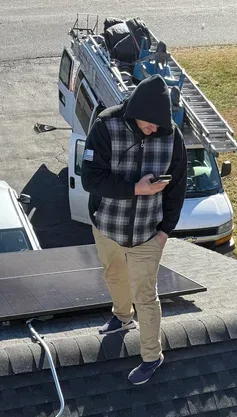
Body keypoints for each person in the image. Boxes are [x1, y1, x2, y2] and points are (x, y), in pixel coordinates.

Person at [81, 75, 188, 386]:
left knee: (146, 296)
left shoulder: (171, 136)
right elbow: (90, 179)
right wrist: (134, 189)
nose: (155, 129)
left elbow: (177, 187)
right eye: (150, 124)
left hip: (147, 236)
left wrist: (165, 232)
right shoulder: (105, 125)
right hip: (107, 228)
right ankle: (121, 317)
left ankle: (152, 358)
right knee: (114, 277)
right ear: (135, 112)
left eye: (160, 125)